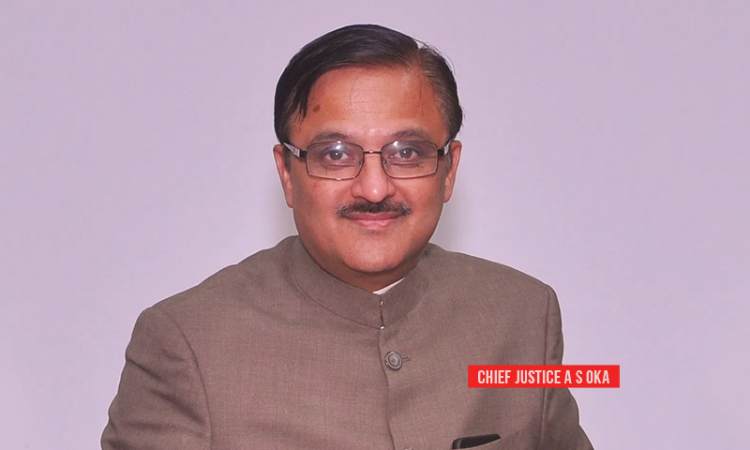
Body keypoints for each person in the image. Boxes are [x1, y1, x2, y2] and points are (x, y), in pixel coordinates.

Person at [102, 24, 593, 450]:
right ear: (288, 173)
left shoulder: (522, 316)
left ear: (449, 170)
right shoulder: (188, 344)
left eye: (407, 152)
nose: (374, 189)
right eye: (335, 154)